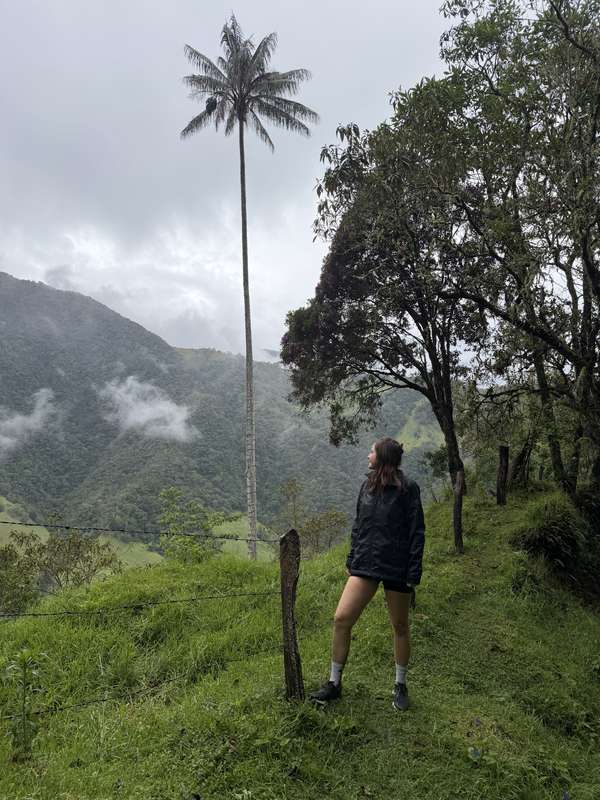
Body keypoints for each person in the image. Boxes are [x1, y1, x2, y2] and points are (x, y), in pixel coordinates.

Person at [309, 436, 425, 711]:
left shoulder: (408, 488)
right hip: (366, 564)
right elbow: (359, 525)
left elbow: (416, 531)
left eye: (371, 451)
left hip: (397, 566)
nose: (367, 455)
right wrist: (352, 557)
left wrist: (413, 571)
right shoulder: (367, 485)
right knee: (341, 618)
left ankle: (400, 684)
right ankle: (335, 683)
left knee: (399, 626)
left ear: (382, 457)